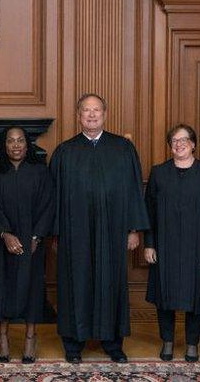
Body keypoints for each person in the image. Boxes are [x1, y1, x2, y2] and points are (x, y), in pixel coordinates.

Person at [50, 93, 149, 363]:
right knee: (75, 283)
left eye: (96, 110)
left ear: (105, 114)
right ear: (78, 115)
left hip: (113, 229)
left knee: (111, 282)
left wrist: (133, 229)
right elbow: (54, 196)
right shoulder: (65, 151)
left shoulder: (122, 148)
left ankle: (113, 343)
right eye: (86, 110)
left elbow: (133, 189)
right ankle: (73, 344)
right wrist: (57, 233)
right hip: (75, 232)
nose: (92, 115)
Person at [143, 124, 200, 363]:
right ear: (170, 145)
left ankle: (192, 344)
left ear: (193, 143)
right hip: (165, 246)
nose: (179, 144)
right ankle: (167, 341)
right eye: (174, 140)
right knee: (164, 297)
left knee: (196, 298)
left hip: (197, 248)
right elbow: (149, 213)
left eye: (184, 139)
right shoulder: (159, 173)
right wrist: (149, 244)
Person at [0, 126, 54, 364]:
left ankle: (30, 338)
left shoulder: (40, 172)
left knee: (32, 289)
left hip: (33, 241)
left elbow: (48, 206)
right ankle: (2, 337)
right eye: (11, 141)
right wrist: (5, 234)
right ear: (4, 145)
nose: (15, 145)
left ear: (27, 144)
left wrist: (36, 237)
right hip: (3, 242)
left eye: (20, 141)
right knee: (3, 288)